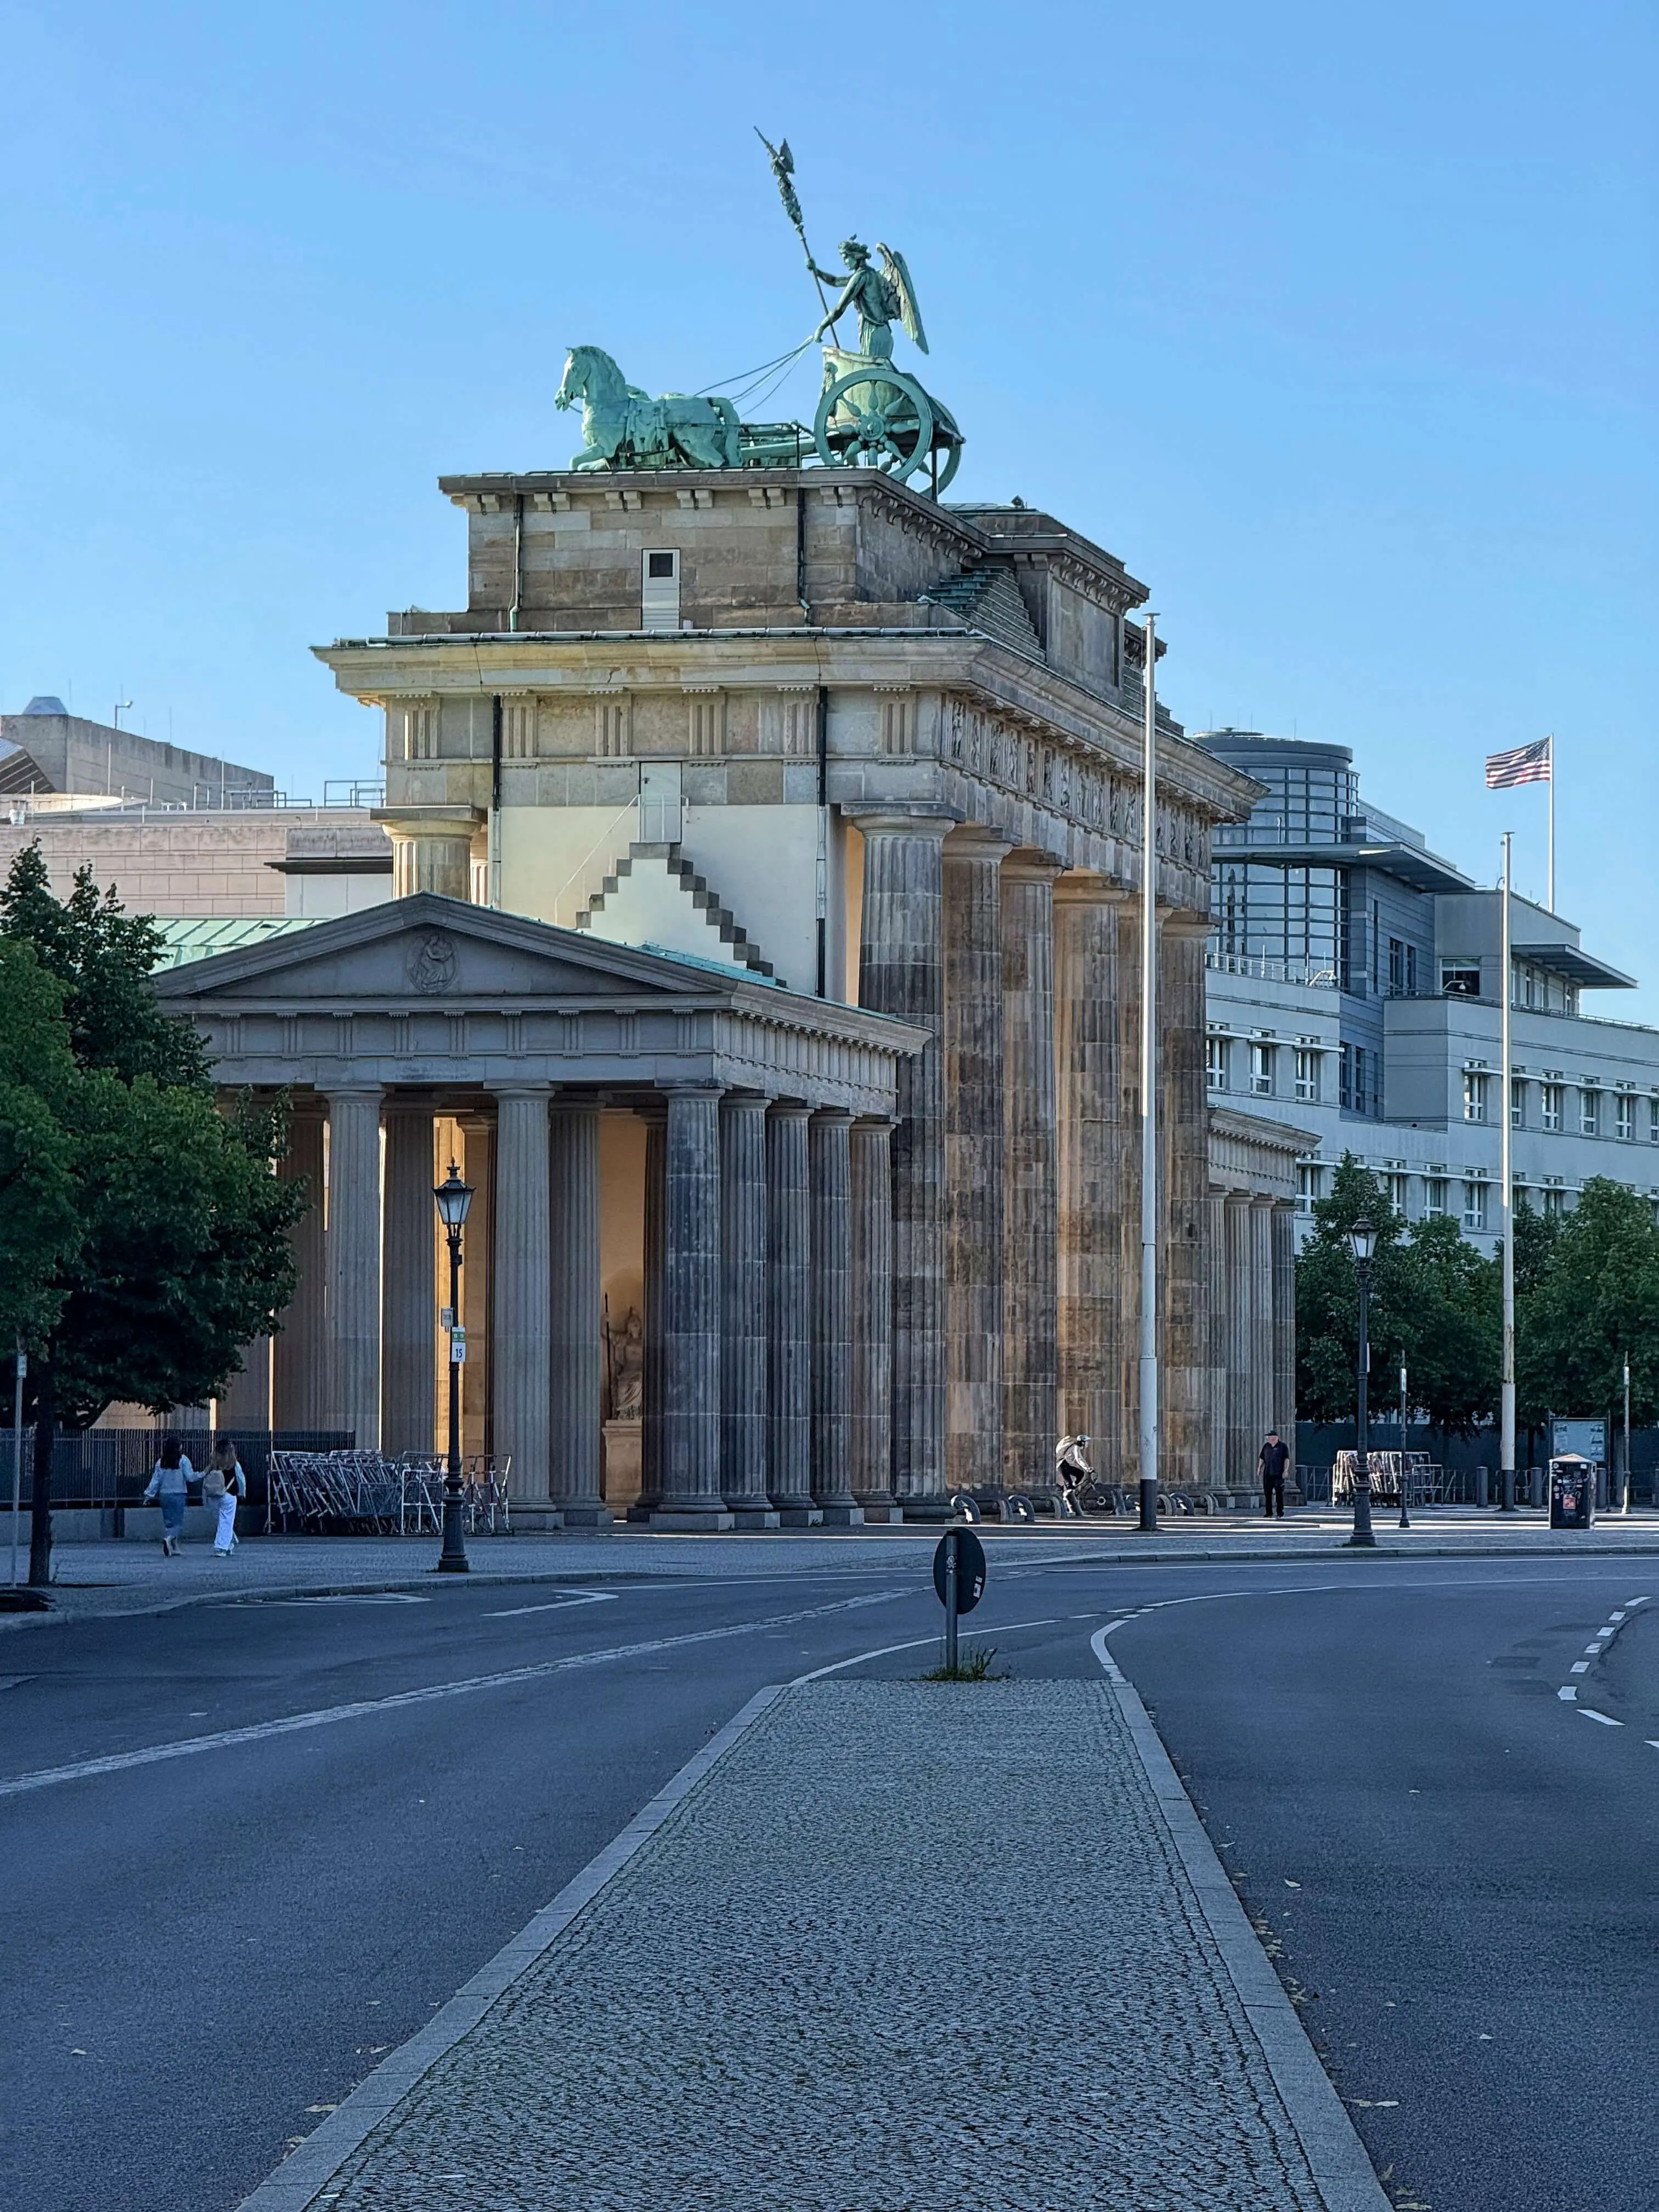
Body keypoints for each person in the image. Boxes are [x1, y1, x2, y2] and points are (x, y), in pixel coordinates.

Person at [143, 1434, 193, 1557]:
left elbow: (156, 1480)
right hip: (179, 1493)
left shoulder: (161, 1461)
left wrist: (149, 1495)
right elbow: (190, 1477)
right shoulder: (183, 1460)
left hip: (165, 1494)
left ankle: (174, 1546)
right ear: (179, 1446)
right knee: (178, 1522)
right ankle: (169, 1538)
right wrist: (203, 1474)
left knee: (169, 1521)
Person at [203, 1438, 246, 1558]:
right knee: (226, 1521)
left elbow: (205, 1480)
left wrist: (205, 1498)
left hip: (213, 1496)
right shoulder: (234, 1464)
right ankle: (222, 1547)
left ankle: (229, 1544)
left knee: (222, 1521)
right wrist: (242, 1493)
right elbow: (241, 1479)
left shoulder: (213, 1465)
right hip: (229, 1494)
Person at [1257, 1429, 1290, 1518]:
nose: (1270, 1439)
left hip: (1279, 1474)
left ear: (1276, 1438)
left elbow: (1286, 1459)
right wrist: (1259, 1468)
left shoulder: (1283, 1447)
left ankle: (1280, 1512)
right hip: (1268, 1474)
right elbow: (1262, 1458)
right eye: (1269, 1438)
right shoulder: (1266, 1446)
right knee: (1267, 1493)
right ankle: (1269, 1512)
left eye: (1271, 1438)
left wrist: (1286, 1470)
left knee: (1279, 1493)